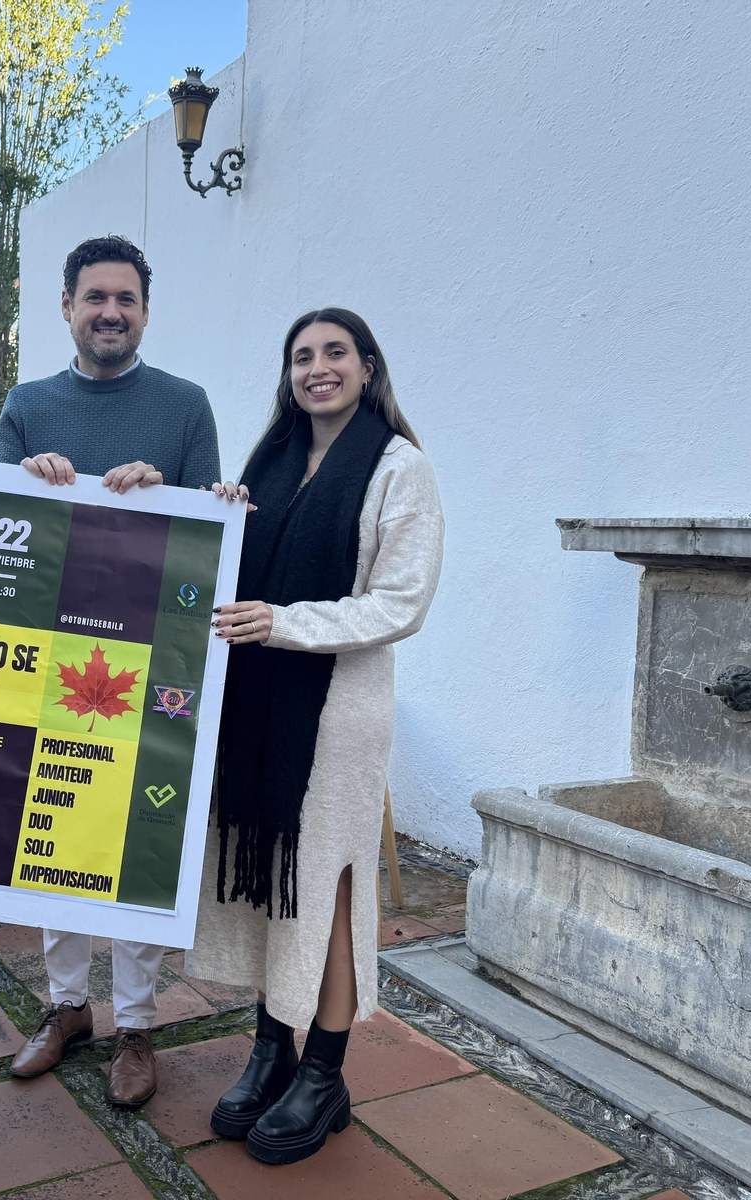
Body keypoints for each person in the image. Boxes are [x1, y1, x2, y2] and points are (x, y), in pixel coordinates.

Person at [190, 307, 444, 1164]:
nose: (317, 368)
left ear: (367, 367)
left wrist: (284, 623)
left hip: (337, 708)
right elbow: (221, 583)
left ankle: (326, 1069)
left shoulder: (399, 469)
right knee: (272, 875)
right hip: (256, 704)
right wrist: (219, 518)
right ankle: (273, 1047)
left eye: (335, 353)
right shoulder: (267, 463)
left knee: (327, 882)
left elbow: (399, 603)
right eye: (302, 356)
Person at [0, 234, 221, 1106]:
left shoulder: (186, 406)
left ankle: (135, 1024)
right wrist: (28, 478)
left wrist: (166, 492)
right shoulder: (27, 402)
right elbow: (0, 531)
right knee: (53, 829)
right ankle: (64, 1008)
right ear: (67, 308)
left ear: (146, 312)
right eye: (96, 298)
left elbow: (213, 526)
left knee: (136, 838)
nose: (111, 313)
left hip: (155, 655)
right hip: (55, 653)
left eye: (126, 299)